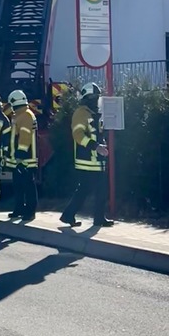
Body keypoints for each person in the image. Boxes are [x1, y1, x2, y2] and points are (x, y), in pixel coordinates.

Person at [60, 81, 113, 228]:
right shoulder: (80, 113)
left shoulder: (95, 114)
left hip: (98, 160)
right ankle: (69, 215)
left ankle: (96, 218)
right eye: (94, 98)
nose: (96, 100)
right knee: (84, 190)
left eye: (97, 97)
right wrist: (96, 147)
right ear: (88, 98)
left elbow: (99, 133)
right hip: (87, 160)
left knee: (99, 190)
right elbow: (78, 134)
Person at [6, 89, 38, 220]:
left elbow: (25, 136)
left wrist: (20, 155)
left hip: (26, 159)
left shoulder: (26, 115)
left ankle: (30, 212)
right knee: (18, 186)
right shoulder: (19, 115)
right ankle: (19, 209)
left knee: (28, 186)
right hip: (20, 160)